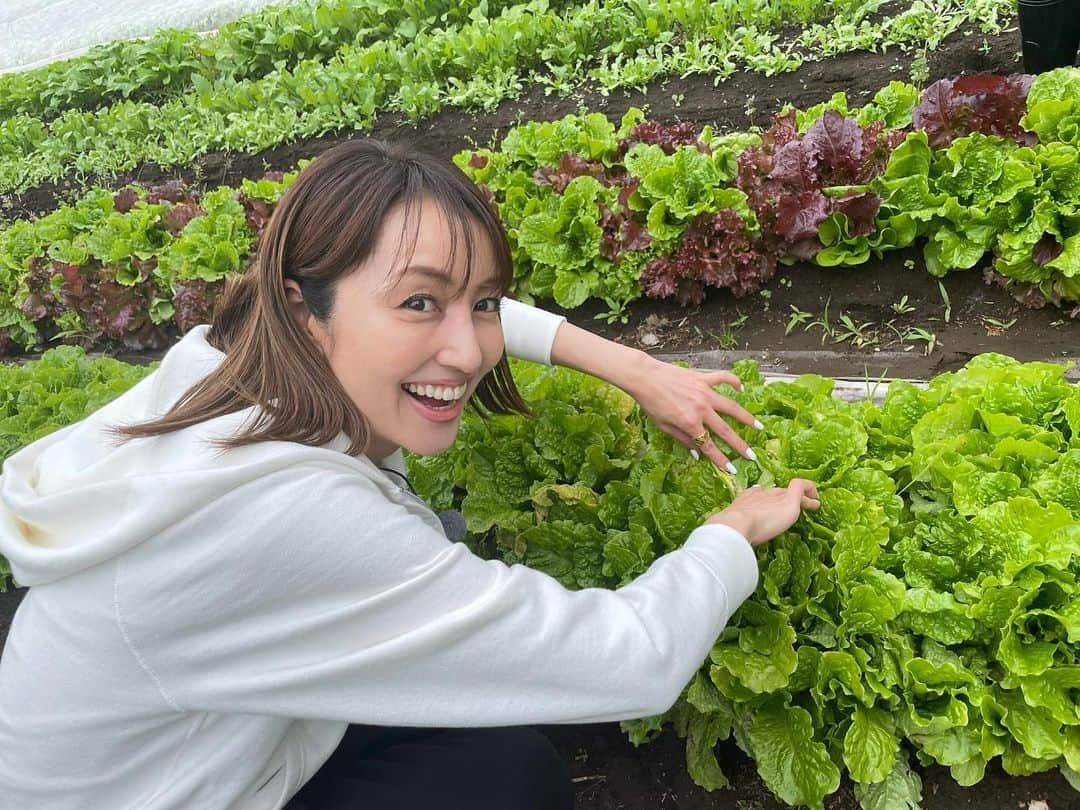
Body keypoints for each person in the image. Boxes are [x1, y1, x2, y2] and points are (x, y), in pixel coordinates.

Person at [0, 140, 820, 810]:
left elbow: (453, 299)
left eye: (484, 305)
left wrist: (635, 369)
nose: (467, 351)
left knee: (488, 718)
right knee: (507, 784)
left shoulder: (221, 362)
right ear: (301, 309)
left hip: (203, 745)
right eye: (420, 306)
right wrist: (731, 530)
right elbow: (632, 663)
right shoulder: (288, 515)